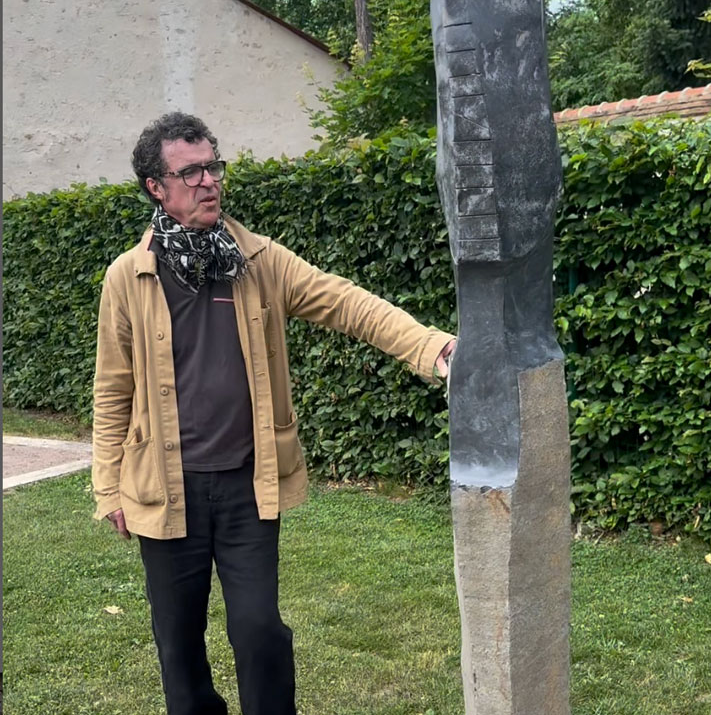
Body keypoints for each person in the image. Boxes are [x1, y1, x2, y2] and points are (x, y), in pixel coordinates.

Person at [92, 112, 456, 715]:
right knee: (178, 648)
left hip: (247, 485)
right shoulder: (128, 278)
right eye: (191, 172)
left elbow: (346, 302)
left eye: (214, 166)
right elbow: (112, 389)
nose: (210, 181)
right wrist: (109, 487)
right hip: (165, 487)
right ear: (156, 187)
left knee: (259, 630)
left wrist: (434, 348)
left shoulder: (259, 260)